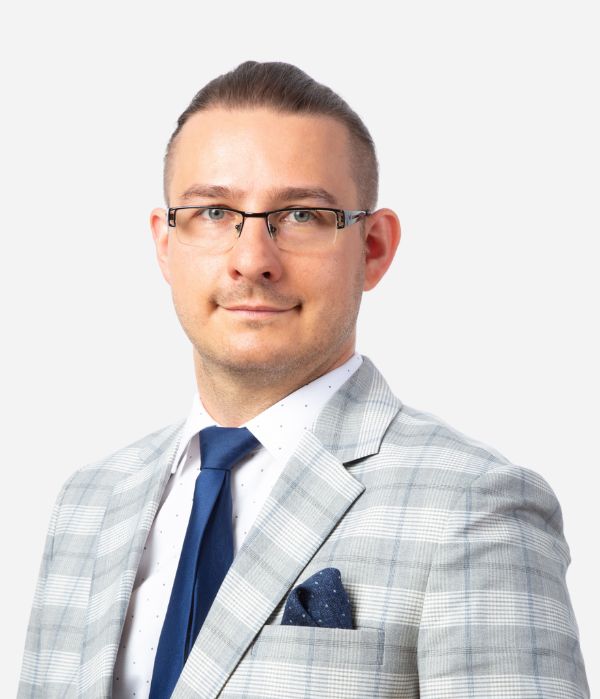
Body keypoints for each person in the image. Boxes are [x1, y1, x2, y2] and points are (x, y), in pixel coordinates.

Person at [18, 60, 589, 699]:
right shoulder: (90, 504)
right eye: (213, 211)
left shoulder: (475, 504)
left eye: (301, 216)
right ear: (165, 243)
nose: (252, 260)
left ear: (373, 247)